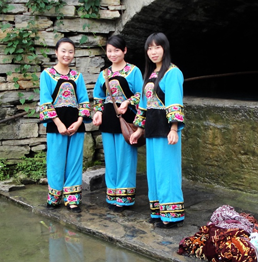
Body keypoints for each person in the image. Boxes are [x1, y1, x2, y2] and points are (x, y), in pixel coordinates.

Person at [130, 32, 185, 228]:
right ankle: (158, 211)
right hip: (152, 128)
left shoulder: (173, 73)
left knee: (167, 171)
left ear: (165, 48)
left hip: (166, 128)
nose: (153, 52)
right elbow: (144, 105)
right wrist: (139, 129)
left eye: (157, 47)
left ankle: (171, 216)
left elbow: (174, 101)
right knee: (154, 172)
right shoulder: (151, 74)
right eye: (150, 48)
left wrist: (174, 128)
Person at [39, 38, 91, 212]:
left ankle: (72, 198)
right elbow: (45, 101)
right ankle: (54, 198)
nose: (67, 55)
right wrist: (59, 124)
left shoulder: (77, 76)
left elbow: (84, 101)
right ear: (56, 52)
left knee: (75, 161)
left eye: (70, 52)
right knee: (55, 160)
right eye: (63, 51)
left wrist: (79, 122)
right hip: (56, 124)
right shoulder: (47, 74)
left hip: (76, 124)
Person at [92, 36, 143, 212]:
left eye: (116, 50)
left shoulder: (133, 71)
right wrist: (98, 112)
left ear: (125, 50)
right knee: (111, 159)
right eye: (109, 51)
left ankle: (124, 198)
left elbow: (142, 94)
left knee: (125, 158)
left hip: (126, 119)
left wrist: (128, 102)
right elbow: (99, 96)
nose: (113, 54)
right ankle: (112, 194)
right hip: (108, 119)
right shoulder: (104, 73)